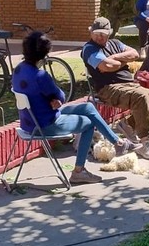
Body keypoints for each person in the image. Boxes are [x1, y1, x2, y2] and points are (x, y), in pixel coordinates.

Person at [12, 31, 142, 184]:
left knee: (88, 107)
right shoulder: (40, 76)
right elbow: (60, 96)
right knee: (87, 123)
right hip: (45, 124)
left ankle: (118, 144)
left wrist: (49, 99)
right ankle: (78, 171)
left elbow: (39, 94)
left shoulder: (19, 69)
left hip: (30, 121)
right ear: (44, 54)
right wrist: (54, 98)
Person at [82, 17, 149, 160]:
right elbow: (107, 66)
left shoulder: (115, 43)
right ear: (91, 32)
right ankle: (144, 143)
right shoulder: (89, 48)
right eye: (97, 33)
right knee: (140, 96)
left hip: (130, 85)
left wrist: (115, 57)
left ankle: (127, 125)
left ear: (109, 33)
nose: (100, 37)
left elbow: (134, 53)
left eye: (103, 34)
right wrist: (122, 61)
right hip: (108, 88)